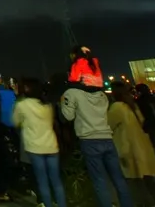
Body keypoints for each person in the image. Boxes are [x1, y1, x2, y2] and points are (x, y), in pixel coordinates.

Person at [61, 47, 132, 207]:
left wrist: (63, 101)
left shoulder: (72, 93)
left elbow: (68, 116)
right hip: (107, 138)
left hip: (89, 140)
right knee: (119, 179)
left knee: (99, 181)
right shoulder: (102, 95)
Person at [13, 78, 65, 207]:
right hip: (51, 146)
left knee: (43, 181)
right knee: (56, 181)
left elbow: (15, 121)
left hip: (35, 147)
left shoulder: (22, 105)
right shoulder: (47, 105)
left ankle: (47, 204)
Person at [108, 82, 155, 206]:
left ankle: (142, 203)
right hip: (141, 146)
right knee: (147, 178)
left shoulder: (116, 107)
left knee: (133, 181)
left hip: (127, 148)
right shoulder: (132, 105)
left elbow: (108, 125)